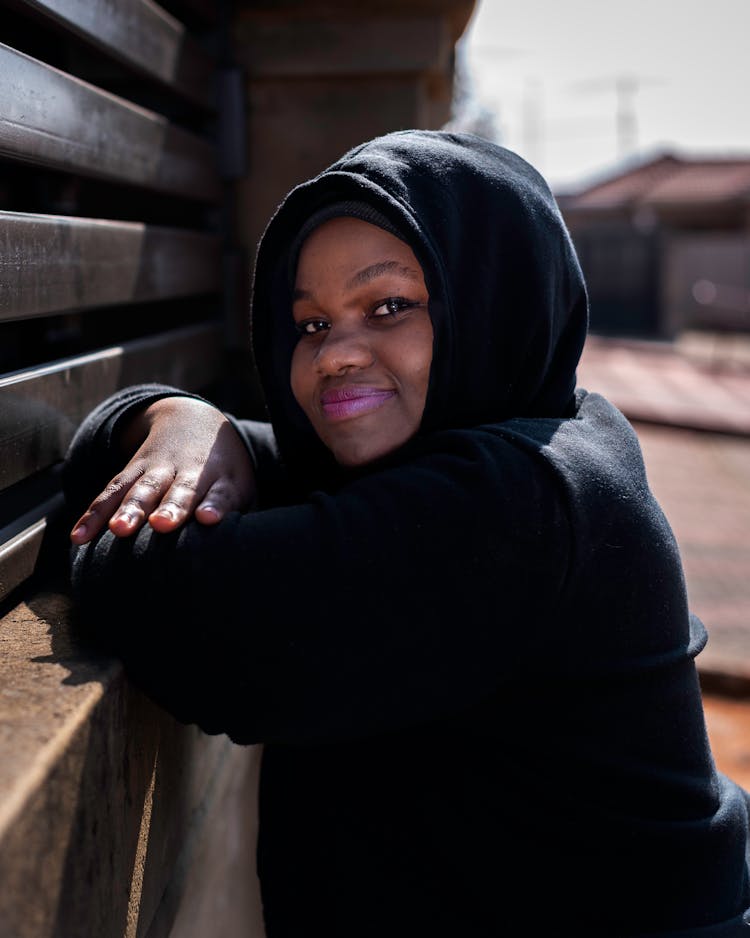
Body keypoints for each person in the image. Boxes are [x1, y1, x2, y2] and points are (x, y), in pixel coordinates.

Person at [64, 130, 750, 936]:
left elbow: (154, 592)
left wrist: (161, 479)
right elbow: (119, 457)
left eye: (388, 306)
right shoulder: (521, 430)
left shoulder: (519, 499)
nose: (335, 357)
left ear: (492, 300)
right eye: (310, 323)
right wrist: (182, 420)